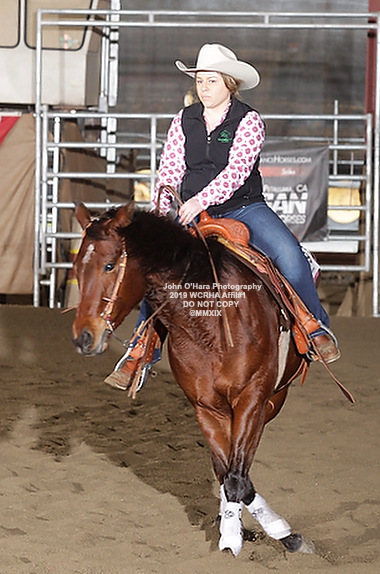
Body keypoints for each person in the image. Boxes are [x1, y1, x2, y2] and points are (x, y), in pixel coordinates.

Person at [105, 43, 340, 392]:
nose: (204, 88)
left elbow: (237, 171)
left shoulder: (249, 121)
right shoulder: (183, 120)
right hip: (190, 210)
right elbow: (169, 169)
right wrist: (160, 210)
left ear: (230, 83)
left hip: (244, 208)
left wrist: (199, 200)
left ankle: (312, 325)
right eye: (200, 81)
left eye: (211, 81)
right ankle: (142, 347)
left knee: (290, 257)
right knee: (157, 269)